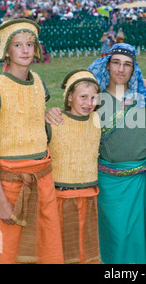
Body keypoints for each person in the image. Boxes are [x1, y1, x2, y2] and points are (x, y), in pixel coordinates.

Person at [45, 43, 146, 264]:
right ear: (107, 65)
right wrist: (52, 111)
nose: (121, 70)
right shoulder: (95, 101)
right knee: (113, 239)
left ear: (134, 69)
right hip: (107, 184)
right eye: (116, 63)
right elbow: (73, 112)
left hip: (141, 181)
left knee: (140, 241)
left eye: (127, 65)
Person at [0, 18, 64, 264]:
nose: (25, 50)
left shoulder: (39, 82)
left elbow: (35, 123)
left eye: (30, 44)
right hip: (13, 184)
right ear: (7, 49)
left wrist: (49, 116)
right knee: (14, 253)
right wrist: (1, 200)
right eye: (18, 45)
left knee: (48, 250)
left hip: (44, 179)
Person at [46, 69, 101, 264]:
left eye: (94, 97)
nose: (89, 103)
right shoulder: (55, 121)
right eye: (83, 97)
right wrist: (46, 112)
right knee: (62, 252)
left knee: (88, 252)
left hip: (89, 197)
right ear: (70, 97)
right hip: (62, 199)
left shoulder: (97, 120)